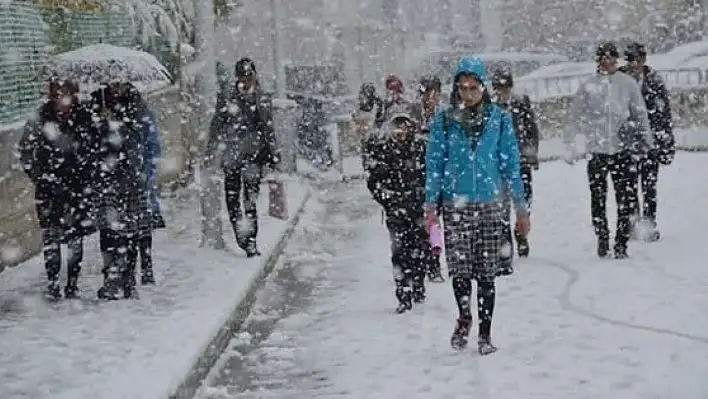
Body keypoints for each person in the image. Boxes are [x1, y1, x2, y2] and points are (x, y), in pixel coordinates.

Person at [425, 57, 530, 354]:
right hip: (455, 202)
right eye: (463, 88)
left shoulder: (499, 119)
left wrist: (521, 208)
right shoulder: (444, 121)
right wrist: (430, 205)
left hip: (490, 203)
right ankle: (465, 316)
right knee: (460, 270)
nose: (468, 93)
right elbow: (434, 164)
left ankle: (485, 334)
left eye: (473, 88)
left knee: (486, 272)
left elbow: (511, 165)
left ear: (484, 88)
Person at [564, 41, 653, 259]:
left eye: (610, 58)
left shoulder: (627, 83)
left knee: (625, 198)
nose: (606, 62)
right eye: (602, 58)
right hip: (598, 150)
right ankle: (602, 237)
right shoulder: (588, 85)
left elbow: (639, 112)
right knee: (598, 198)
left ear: (616, 59)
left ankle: (621, 242)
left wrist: (646, 139)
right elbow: (575, 116)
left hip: (622, 149)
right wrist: (572, 143)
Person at [18, 78, 97, 300]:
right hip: (48, 188)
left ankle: (72, 282)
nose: (61, 98)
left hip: (77, 188)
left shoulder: (84, 117)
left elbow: (94, 147)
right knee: (51, 236)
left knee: (75, 236)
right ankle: (53, 281)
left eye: (66, 93)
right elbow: (25, 150)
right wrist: (38, 175)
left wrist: (86, 169)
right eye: (56, 93)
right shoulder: (40, 117)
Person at [204, 57, 279, 257]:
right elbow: (216, 125)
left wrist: (273, 153)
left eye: (249, 77)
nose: (246, 81)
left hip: (254, 155)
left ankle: (251, 240)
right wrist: (211, 151)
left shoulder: (262, 98)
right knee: (232, 198)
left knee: (250, 200)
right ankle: (242, 236)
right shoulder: (227, 97)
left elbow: (268, 127)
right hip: (232, 155)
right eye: (243, 77)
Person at [90, 80, 151, 300]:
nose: (116, 87)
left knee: (130, 230)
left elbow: (139, 134)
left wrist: (118, 122)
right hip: (106, 175)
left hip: (131, 176)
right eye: (112, 83)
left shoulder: (135, 102)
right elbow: (89, 140)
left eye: (120, 83)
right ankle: (110, 278)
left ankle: (128, 278)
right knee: (108, 230)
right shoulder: (97, 101)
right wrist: (101, 124)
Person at [366, 109, 428, 313]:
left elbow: (432, 176)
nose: (401, 132)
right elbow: (374, 182)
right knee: (399, 252)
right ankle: (403, 293)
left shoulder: (420, 149)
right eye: (397, 127)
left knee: (420, 249)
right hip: (396, 212)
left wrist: (425, 197)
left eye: (405, 126)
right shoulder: (383, 152)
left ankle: (418, 284)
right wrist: (389, 200)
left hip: (418, 210)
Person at [619, 42, 675, 241]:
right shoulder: (620, 81)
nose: (634, 64)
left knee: (649, 185)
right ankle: (633, 222)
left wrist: (665, 141)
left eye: (637, 59)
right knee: (629, 186)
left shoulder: (654, 81)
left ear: (643, 59)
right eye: (630, 59)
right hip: (626, 143)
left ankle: (649, 223)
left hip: (651, 142)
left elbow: (664, 113)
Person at [491, 69, 540, 258]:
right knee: (500, 205)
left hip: (520, 160)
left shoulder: (521, 103)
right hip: (499, 164)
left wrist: (531, 153)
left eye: (505, 87)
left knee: (524, 200)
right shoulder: (491, 108)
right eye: (498, 88)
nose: (502, 92)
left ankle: (521, 233)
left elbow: (531, 129)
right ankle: (504, 243)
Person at [411, 75, 445, 283]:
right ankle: (421, 262)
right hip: (415, 175)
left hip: (438, 175)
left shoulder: (445, 118)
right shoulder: (413, 117)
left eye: (433, 93)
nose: (428, 98)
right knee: (419, 222)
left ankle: (434, 262)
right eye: (425, 93)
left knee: (434, 222)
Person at [129, 108, 164, 285]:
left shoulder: (140, 113)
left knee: (142, 223)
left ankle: (146, 266)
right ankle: (131, 270)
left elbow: (153, 147)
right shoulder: (104, 108)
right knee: (128, 227)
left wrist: (146, 170)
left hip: (140, 176)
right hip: (121, 178)